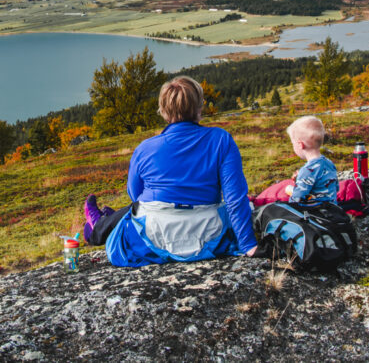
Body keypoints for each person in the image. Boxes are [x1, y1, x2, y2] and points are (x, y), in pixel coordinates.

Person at [82, 75, 258, 267]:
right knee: (248, 207)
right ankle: (100, 222)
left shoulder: (144, 148)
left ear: (163, 111)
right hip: (209, 234)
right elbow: (235, 198)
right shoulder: (221, 139)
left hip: (153, 237)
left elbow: (135, 196)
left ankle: (98, 224)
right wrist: (248, 245)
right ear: (199, 108)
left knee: (129, 216)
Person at [251, 116, 339, 207]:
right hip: (332, 210)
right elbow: (336, 187)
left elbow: (297, 200)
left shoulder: (308, 170)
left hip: (314, 214)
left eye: (293, 143)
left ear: (300, 145)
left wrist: (291, 190)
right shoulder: (329, 163)